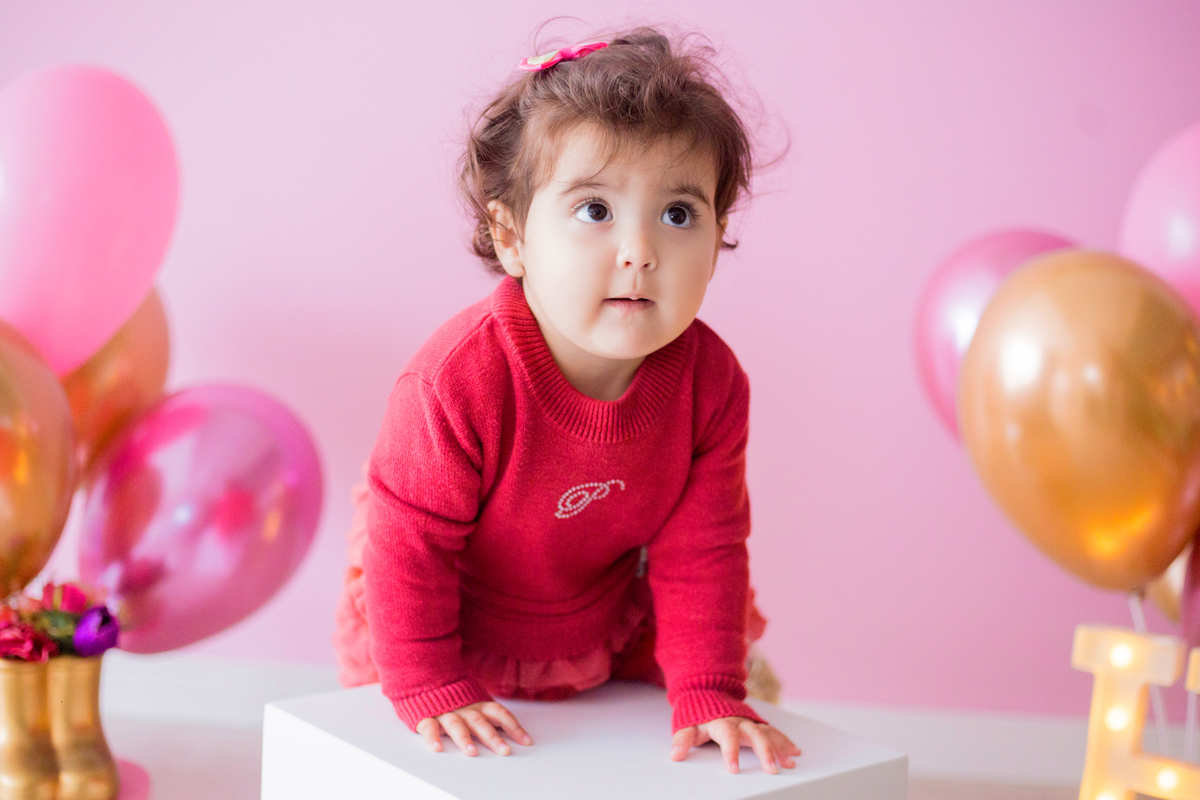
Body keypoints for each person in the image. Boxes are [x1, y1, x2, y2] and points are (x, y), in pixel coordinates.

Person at [333, 25, 799, 775]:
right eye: (594, 210)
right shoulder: (456, 381)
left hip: (601, 614)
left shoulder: (712, 383)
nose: (640, 252)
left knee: (713, 714)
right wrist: (427, 684)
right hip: (444, 623)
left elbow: (702, 550)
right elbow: (407, 548)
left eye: (679, 214)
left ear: (717, 242)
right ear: (512, 236)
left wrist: (709, 688)